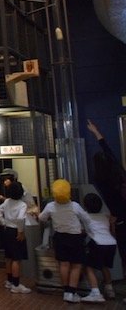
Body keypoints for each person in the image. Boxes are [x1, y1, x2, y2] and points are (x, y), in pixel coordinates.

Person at [38, 178, 94, 304]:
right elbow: (87, 220)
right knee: (76, 265)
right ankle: (72, 292)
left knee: (63, 264)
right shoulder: (75, 206)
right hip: (75, 237)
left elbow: (42, 218)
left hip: (59, 237)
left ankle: (66, 292)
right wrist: (88, 232)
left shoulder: (50, 206)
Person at [86, 119, 126, 273]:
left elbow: (113, 207)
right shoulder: (120, 172)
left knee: (124, 254)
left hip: (121, 222)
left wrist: (114, 219)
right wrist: (96, 132)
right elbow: (108, 151)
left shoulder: (101, 182)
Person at [0, 181, 31, 293]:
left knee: (8, 257)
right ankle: (16, 284)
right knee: (16, 259)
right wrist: (20, 232)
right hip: (15, 231)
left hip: (6, 231)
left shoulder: (7, 202)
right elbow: (20, 219)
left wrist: (4, 222)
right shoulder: (22, 205)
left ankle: (9, 281)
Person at [80, 192, 115, 301]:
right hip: (111, 243)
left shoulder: (84, 215)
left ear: (85, 205)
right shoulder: (105, 215)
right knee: (104, 266)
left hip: (97, 243)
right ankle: (109, 290)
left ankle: (95, 293)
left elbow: (82, 231)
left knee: (88, 266)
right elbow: (112, 231)